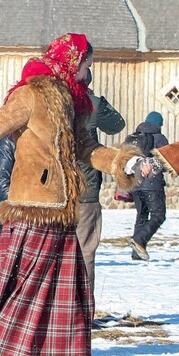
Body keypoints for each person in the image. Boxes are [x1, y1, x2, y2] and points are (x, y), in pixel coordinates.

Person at [0, 33, 153, 356]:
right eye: (87, 63)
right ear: (73, 60)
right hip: (33, 207)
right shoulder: (31, 94)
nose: (89, 71)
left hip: (63, 211)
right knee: (26, 291)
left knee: (69, 297)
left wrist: (126, 164)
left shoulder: (73, 102)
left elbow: (87, 148)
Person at [75, 68, 126, 282]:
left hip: (53, 190)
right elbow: (116, 125)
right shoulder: (91, 104)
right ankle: (82, 311)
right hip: (84, 190)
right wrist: (96, 100)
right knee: (85, 251)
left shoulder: (54, 101)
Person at [125, 111, 169, 261]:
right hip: (153, 184)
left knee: (141, 216)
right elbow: (166, 161)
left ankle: (137, 253)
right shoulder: (160, 138)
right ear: (159, 124)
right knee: (158, 215)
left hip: (135, 184)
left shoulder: (133, 138)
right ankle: (138, 240)